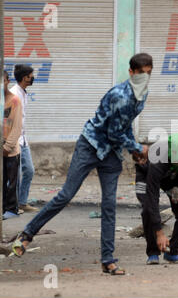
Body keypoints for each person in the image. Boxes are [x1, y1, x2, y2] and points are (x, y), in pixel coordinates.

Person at [11, 53, 152, 275]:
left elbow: (124, 125)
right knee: (66, 195)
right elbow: (114, 132)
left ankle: (108, 260)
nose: (145, 77)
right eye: (141, 73)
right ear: (131, 72)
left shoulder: (142, 96)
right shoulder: (120, 95)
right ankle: (27, 233)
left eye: (149, 73)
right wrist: (137, 148)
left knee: (109, 205)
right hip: (91, 145)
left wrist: (133, 149)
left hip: (112, 153)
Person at [135, 133, 178, 265]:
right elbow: (152, 198)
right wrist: (159, 233)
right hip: (147, 175)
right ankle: (153, 252)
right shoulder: (157, 161)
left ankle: (171, 251)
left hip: (171, 177)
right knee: (148, 209)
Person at [10, 65, 38, 213]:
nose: (33, 77)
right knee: (15, 174)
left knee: (29, 170)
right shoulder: (14, 94)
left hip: (23, 139)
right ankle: (12, 205)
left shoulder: (23, 93)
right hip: (14, 140)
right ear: (24, 77)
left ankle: (21, 202)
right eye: (31, 75)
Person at [2, 70, 23, 220]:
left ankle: (11, 209)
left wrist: (6, 147)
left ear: (7, 81)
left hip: (10, 151)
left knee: (11, 182)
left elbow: (16, 128)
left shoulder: (14, 101)